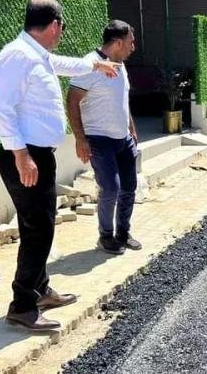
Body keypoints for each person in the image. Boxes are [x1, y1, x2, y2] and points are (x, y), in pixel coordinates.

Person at [0, 0, 120, 331]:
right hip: (26, 157)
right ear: (54, 25)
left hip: (36, 156)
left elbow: (63, 64)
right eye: (62, 28)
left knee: (38, 226)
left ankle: (40, 290)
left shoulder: (36, 54)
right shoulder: (18, 56)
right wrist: (21, 156)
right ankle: (22, 306)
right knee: (38, 230)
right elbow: (1, 108)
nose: (61, 33)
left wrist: (96, 65)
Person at [67, 20, 141, 255]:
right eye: (130, 42)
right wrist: (80, 139)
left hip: (123, 139)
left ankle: (123, 233)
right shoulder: (90, 64)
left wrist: (131, 128)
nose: (133, 47)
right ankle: (106, 236)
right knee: (110, 188)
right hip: (99, 139)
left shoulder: (120, 65)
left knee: (129, 187)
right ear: (118, 43)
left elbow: (122, 99)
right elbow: (72, 101)